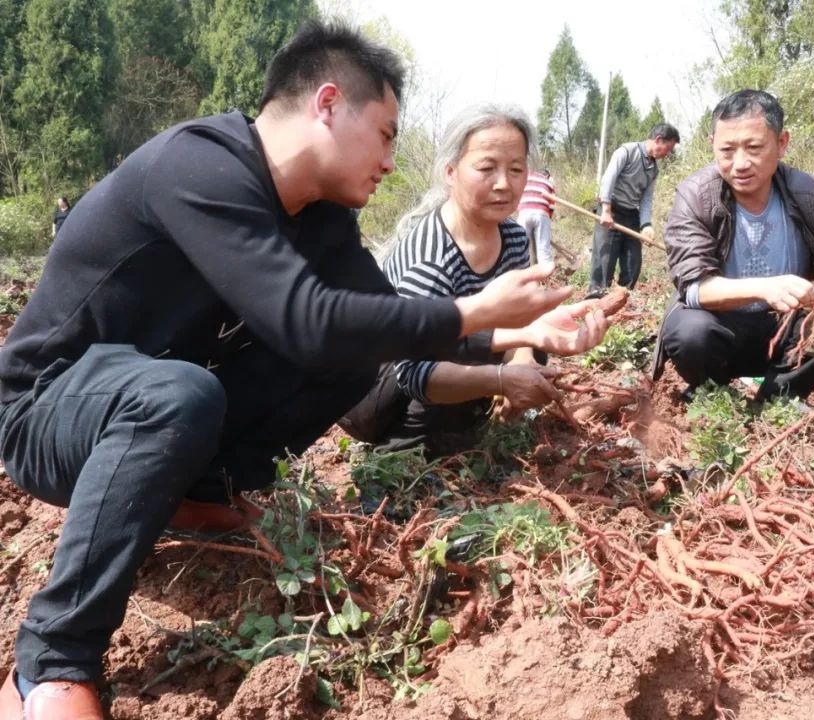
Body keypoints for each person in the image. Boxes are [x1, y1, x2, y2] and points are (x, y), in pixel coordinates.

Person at [0, 21, 577, 720]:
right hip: (46, 408)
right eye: (388, 134)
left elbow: (377, 319)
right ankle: (49, 665)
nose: (393, 162)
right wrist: (473, 311)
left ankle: (199, 491)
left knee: (346, 357)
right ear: (328, 104)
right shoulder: (200, 166)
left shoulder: (320, 215)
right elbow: (302, 316)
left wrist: (522, 327)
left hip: (156, 402)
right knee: (180, 392)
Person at [338, 106, 608, 456]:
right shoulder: (431, 257)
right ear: (451, 172)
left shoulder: (511, 236)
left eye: (515, 170)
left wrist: (523, 359)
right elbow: (413, 373)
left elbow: (519, 322)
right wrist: (500, 380)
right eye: (486, 168)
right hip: (376, 388)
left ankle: (473, 419)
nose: (503, 184)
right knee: (444, 369)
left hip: (449, 356)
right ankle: (398, 450)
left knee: (535, 345)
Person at [652, 90, 814, 402]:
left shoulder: (811, 192)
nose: (740, 164)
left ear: (782, 144)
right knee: (690, 329)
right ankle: (714, 396)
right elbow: (693, 286)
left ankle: (780, 398)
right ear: (713, 146)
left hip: (789, 330)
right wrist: (764, 288)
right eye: (727, 150)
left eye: (754, 148)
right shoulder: (695, 196)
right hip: (722, 328)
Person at [585, 122, 680, 298]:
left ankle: (623, 296)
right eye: (668, 148)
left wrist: (646, 225)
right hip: (611, 209)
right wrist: (605, 209)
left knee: (633, 261)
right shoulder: (627, 152)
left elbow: (646, 198)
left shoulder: (654, 170)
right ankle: (596, 296)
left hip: (631, 214)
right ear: (658, 140)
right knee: (605, 258)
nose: (667, 154)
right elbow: (608, 178)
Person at [516, 168, 556, 265]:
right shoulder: (549, 183)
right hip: (541, 213)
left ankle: (523, 273)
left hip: (524, 212)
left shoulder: (526, 177)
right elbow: (552, 206)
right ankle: (546, 278)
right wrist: (546, 224)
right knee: (543, 249)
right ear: (547, 176)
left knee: (521, 246)